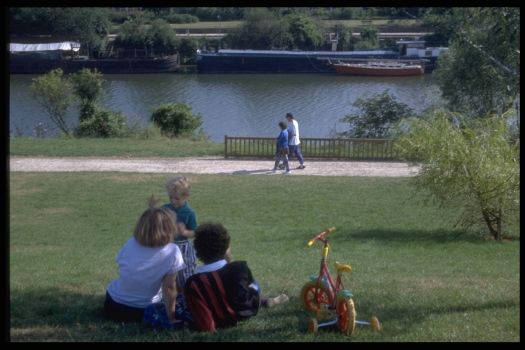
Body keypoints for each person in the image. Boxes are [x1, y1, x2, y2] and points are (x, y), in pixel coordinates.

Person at [184, 222, 289, 332]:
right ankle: (262, 302)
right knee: (251, 283)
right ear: (226, 248)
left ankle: (263, 302)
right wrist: (230, 261)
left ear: (197, 251)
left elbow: (199, 311)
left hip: (218, 319)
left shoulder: (193, 282)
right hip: (243, 313)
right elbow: (245, 292)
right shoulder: (238, 268)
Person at [104, 196, 185, 324]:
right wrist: (171, 318)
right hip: (143, 309)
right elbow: (169, 288)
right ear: (169, 228)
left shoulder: (130, 243)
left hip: (112, 304)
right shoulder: (172, 251)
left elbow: (121, 264)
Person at [162, 176, 198, 293]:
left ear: (185, 196)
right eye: (171, 198)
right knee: (167, 275)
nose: (173, 201)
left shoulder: (189, 212)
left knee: (184, 275)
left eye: (176, 199)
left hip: (184, 248)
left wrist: (185, 232)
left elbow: (195, 232)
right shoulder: (165, 209)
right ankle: (168, 298)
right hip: (167, 246)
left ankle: (185, 297)